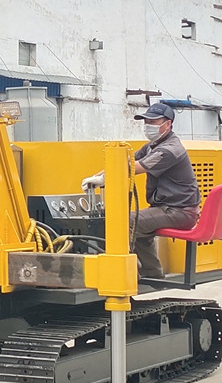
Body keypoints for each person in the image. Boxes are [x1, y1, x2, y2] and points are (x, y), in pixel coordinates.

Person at [81, 102, 200, 279]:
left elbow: (134, 167)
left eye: (153, 122)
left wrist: (103, 179)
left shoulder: (169, 150)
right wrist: (96, 177)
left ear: (167, 124)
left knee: (126, 221)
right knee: (138, 225)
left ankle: (123, 273)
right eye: (146, 122)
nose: (147, 126)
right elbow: (123, 161)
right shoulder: (152, 146)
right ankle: (152, 273)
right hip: (168, 209)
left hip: (179, 212)